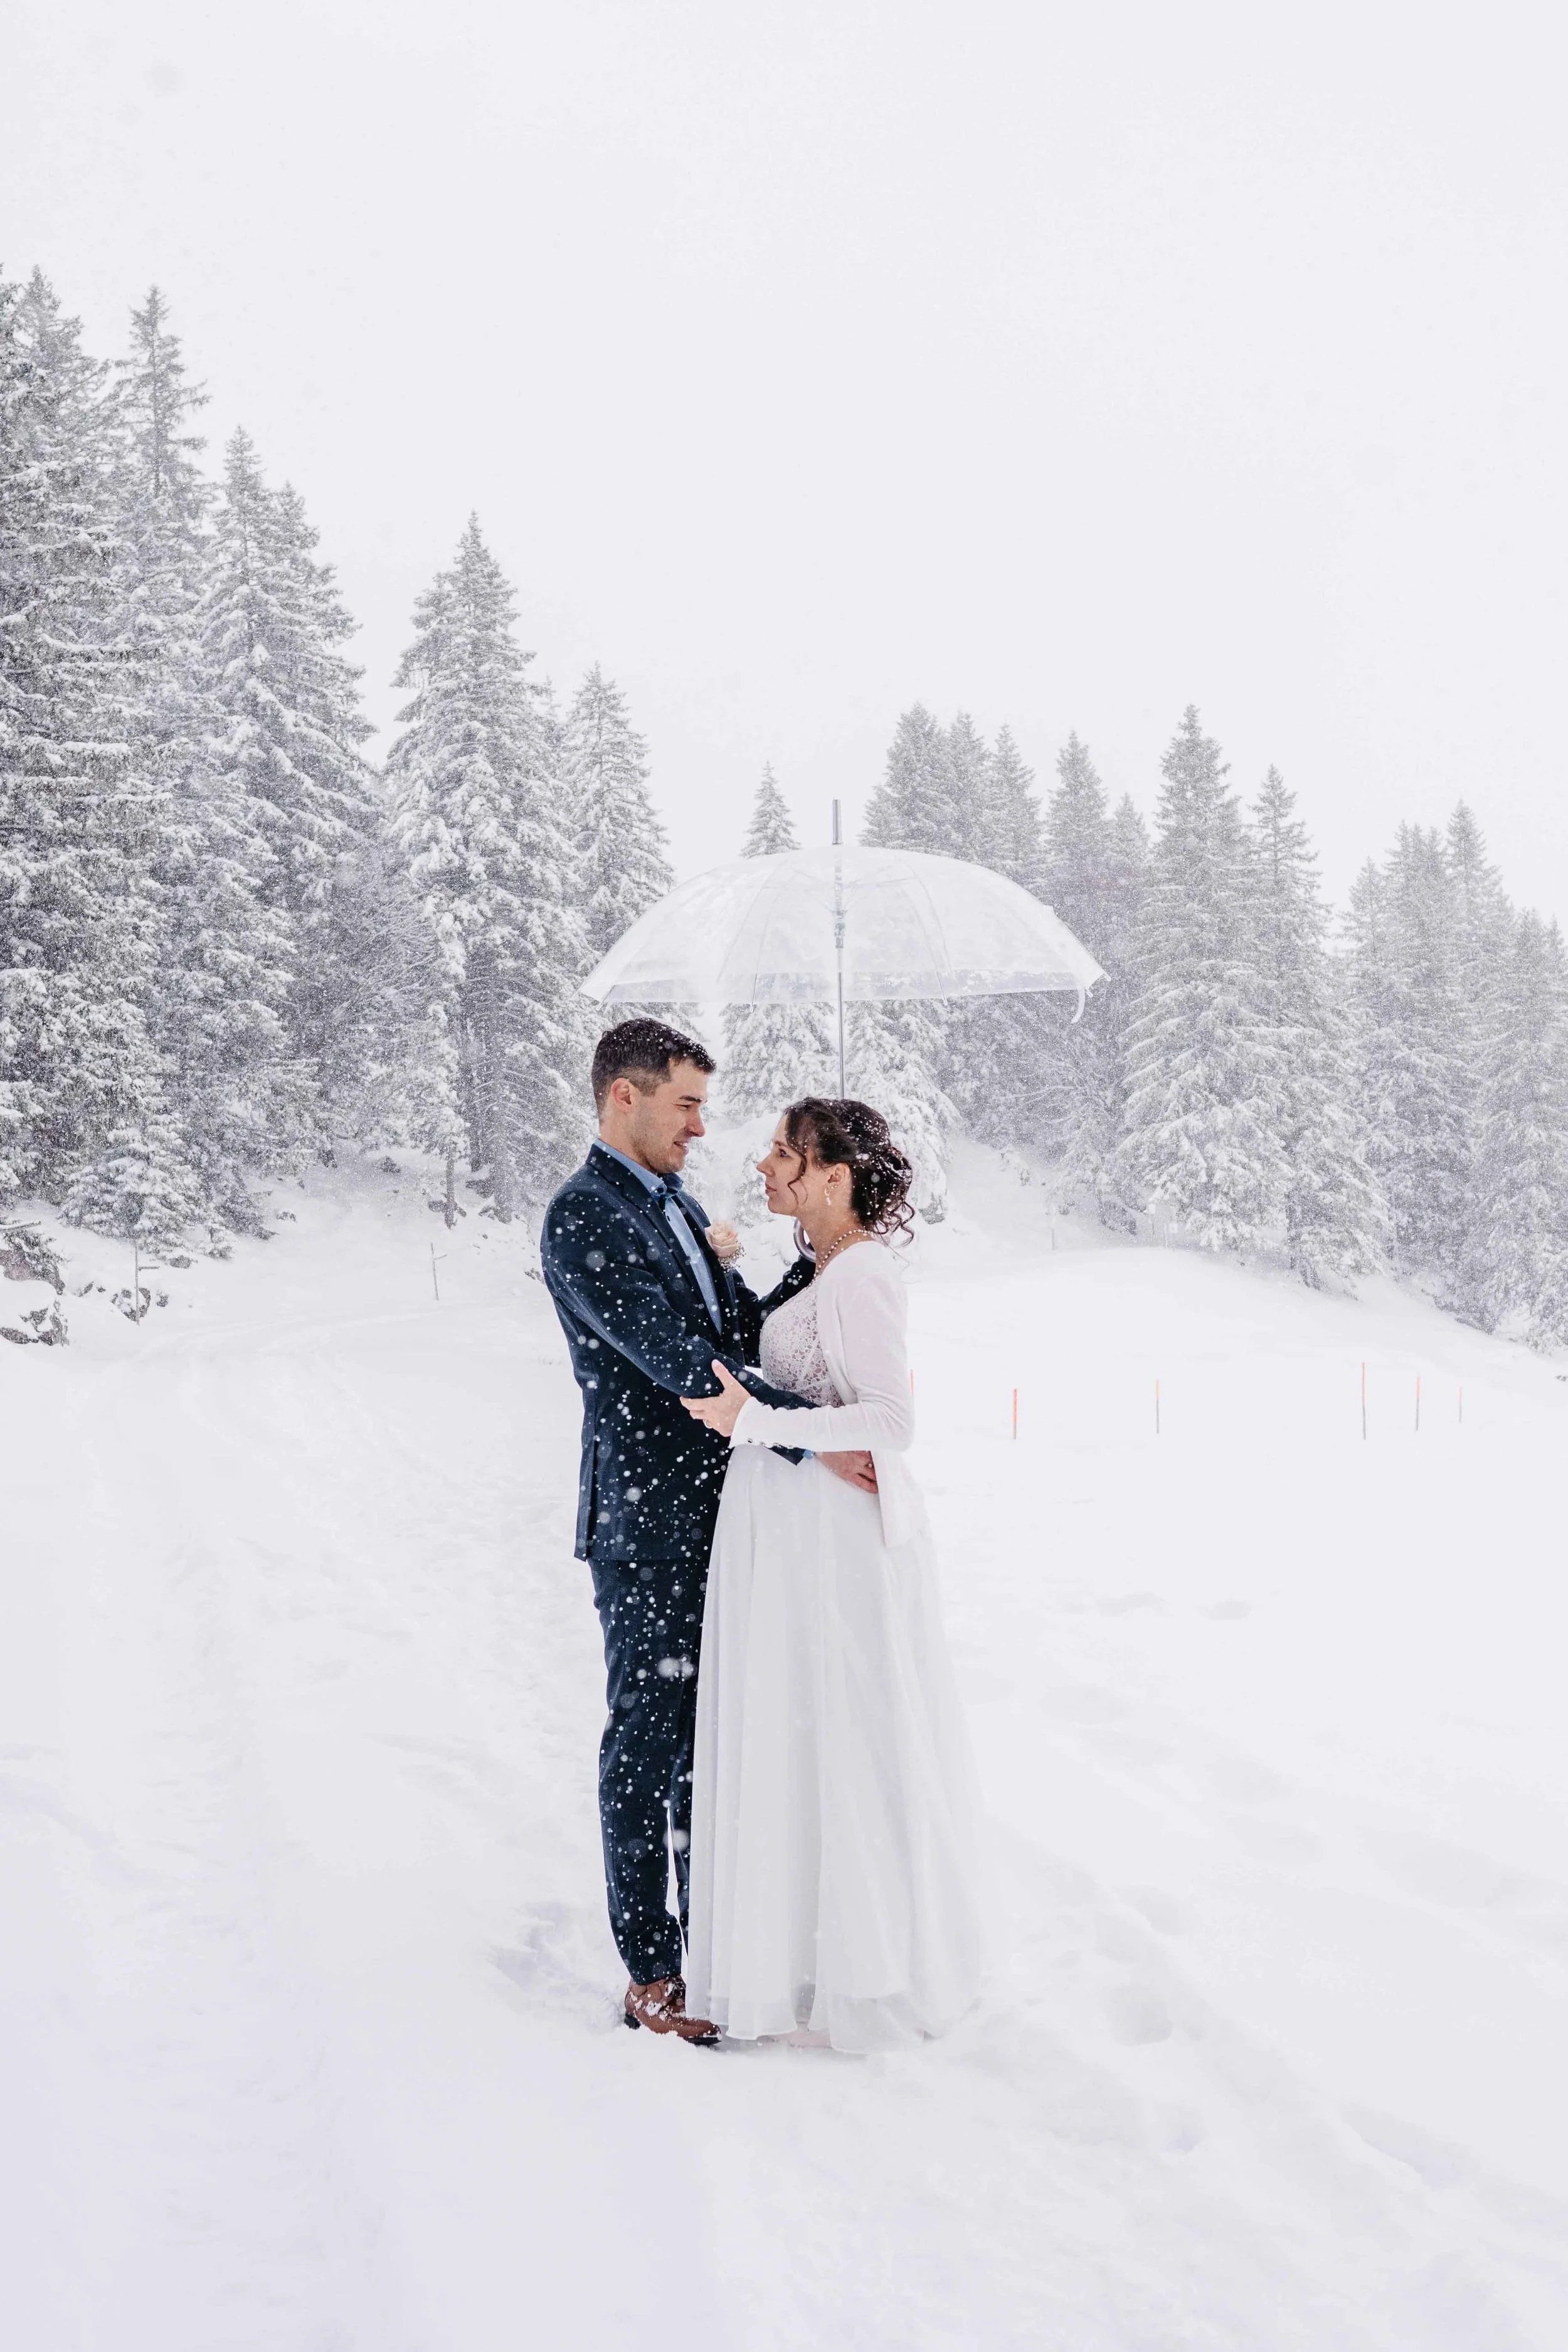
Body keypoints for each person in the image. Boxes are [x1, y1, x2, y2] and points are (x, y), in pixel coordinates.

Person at [540, 1022, 879, 2043]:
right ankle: (653, 1967)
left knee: (718, 1742)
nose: (700, 1125)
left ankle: (725, 1951)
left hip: (726, 1522)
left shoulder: (677, 1204)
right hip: (646, 1525)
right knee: (649, 1739)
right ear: (622, 1101)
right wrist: (815, 1437)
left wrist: (822, 1257)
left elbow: (735, 1333)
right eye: (684, 1103)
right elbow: (688, 1365)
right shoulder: (583, 1217)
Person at [681, 1097, 983, 2052]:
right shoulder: (813, 1271)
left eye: (785, 1153)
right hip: (791, 1542)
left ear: (835, 1176)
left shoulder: (864, 1275)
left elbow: (890, 1423)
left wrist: (760, 1427)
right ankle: (807, 1952)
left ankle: (872, 1963)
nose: (766, 1165)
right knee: (801, 1736)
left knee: (849, 1736)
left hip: (840, 1548)